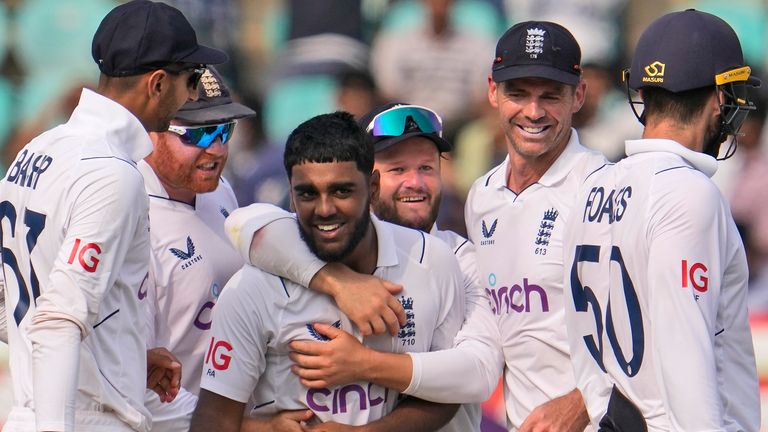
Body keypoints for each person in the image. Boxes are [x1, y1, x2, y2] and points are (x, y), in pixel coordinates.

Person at [229, 21, 607, 431]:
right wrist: (338, 281)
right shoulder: (486, 195)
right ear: (363, 180)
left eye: (427, 167)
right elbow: (244, 224)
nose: (416, 183)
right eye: (397, 168)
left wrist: (364, 364)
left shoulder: (456, 255)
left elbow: (479, 371)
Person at [0, 1, 226, 431]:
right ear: (159, 83)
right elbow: (58, 321)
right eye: (191, 80)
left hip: (38, 411)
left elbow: (10, 303)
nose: (193, 95)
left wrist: (116, 357)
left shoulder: (37, 149)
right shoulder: (113, 173)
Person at [190, 111, 466, 431]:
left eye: (342, 191)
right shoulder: (250, 289)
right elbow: (212, 420)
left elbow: (444, 392)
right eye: (307, 193)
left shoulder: (434, 261)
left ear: (373, 188)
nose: (324, 209)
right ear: (291, 196)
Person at [562, 9, 760, 430]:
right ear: (720, 100)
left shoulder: (593, 187)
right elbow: (685, 350)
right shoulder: (689, 192)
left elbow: (583, 351)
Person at [139, 66, 255, 431]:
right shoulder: (126, 212)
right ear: (151, 129)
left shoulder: (218, 190)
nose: (217, 149)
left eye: (225, 130)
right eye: (200, 132)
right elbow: (125, 378)